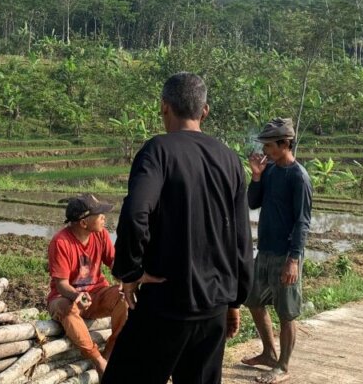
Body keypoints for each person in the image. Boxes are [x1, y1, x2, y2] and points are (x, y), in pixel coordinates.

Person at [102, 72, 253, 384]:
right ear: (204, 111)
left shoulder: (158, 151)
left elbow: (135, 213)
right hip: (213, 309)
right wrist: (235, 300)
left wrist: (129, 272)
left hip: (166, 304)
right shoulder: (229, 159)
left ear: (164, 107)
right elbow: (241, 238)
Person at [241, 117, 313, 384]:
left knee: (286, 311)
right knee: (254, 301)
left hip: (286, 254)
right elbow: (252, 202)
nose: (266, 151)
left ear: (285, 144)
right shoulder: (269, 170)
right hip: (267, 250)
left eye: (270, 146)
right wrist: (256, 176)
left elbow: (302, 222)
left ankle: (283, 366)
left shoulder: (299, 177)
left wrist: (294, 260)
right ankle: (269, 353)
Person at [46, 193, 128, 376]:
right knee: (66, 307)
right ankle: (97, 360)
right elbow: (61, 285)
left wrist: (124, 281)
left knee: (124, 298)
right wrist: (76, 296)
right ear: (83, 223)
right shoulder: (60, 242)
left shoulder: (101, 235)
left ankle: (109, 353)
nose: (103, 218)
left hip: (97, 294)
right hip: (66, 298)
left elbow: (114, 264)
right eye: (99, 215)